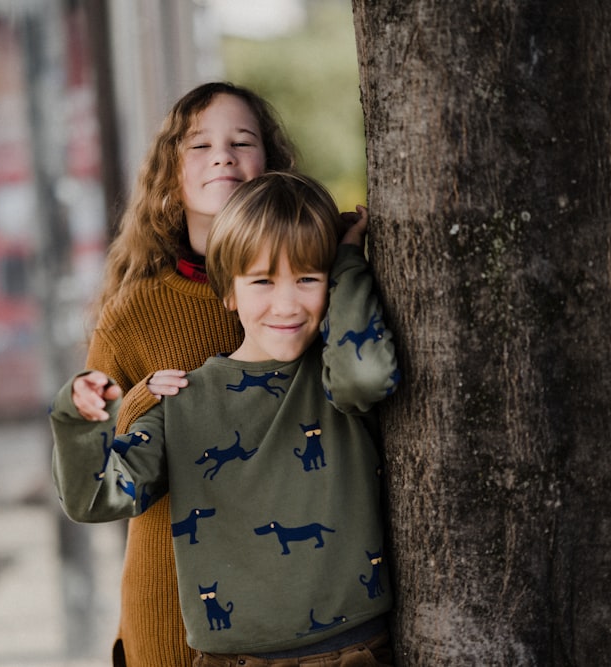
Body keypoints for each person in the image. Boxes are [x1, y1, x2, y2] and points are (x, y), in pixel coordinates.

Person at [51, 171, 398, 665]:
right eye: (262, 280)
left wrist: (347, 261)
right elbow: (95, 498)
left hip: (352, 653)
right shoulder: (181, 402)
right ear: (228, 290)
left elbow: (368, 375)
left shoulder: (332, 377)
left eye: (308, 278)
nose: (286, 303)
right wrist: (78, 420)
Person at [71, 82, 297, 666]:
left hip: (296, 602)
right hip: (172, 600)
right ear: (171, 176)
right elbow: (98, 471)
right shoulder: (134, 311)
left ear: (269, 166)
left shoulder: (307, 290)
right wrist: (146, 401)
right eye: (200, 145)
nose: (223, 155)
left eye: (242, 142)